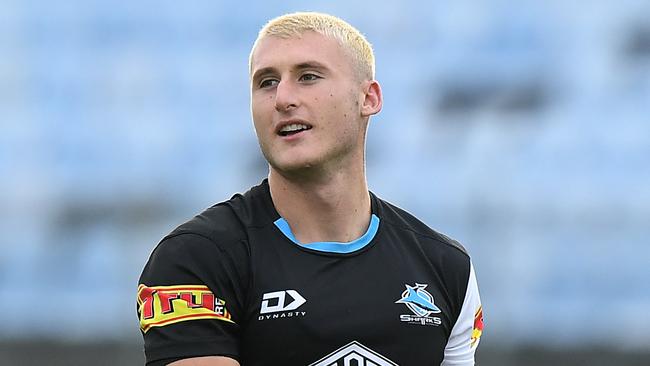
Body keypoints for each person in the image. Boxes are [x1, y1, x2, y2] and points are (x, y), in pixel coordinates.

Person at [137, 11, 483, 366]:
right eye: (267, 82)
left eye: (308, 76)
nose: (282, 99)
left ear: (369, 99)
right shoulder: (197, 259)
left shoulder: (445, 268)